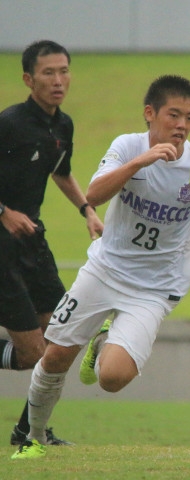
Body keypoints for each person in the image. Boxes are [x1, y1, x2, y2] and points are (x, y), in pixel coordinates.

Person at [11, 74, 190, 459]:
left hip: (154, 288)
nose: (182, 125)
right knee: (54, 356)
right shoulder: (126, 146)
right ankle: (32, 439)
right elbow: (95, 195)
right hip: (103, 271)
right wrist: (141, 161)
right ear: (150, 114)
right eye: (174, 115)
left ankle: (106, 338)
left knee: (113, 378)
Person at [0, 40, 103, 447]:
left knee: (62, 339)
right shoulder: (9, 123)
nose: (58, 81)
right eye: (48, 73)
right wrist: (3, 211)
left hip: (33, 244)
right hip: (2, 247)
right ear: (29, 79)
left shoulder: (63, 125)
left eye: (64, 71)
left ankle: (28, 430)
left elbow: (61, 172)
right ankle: (28, 431)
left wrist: (88, 210)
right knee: (30, 354)